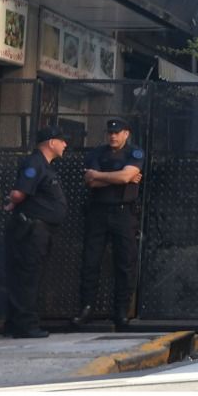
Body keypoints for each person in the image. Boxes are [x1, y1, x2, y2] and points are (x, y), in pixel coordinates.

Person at [72, 118, 145, 330]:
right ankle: (86, 308)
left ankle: (120, 311)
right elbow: (90, 181)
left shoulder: (134, 153)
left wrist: (103, 176)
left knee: (124, 262)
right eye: (110, 132)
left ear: (126, 134)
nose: (113, 136)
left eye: (117, 132)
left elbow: (125, 177)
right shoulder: (97, 153)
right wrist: (119, 177)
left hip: (123, 212)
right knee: (90, 261)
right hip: (98, 211)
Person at [3, 126, 69, 339]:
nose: (65, 144)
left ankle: (16, 322)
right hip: (32, 230)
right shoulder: (34, 163)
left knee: (28, 276)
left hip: (40, 230)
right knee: (28, 277)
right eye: (62, 140)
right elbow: (20, 192)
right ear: (51, 143)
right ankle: (26, 326)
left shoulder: (43, 165)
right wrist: (12, 202)